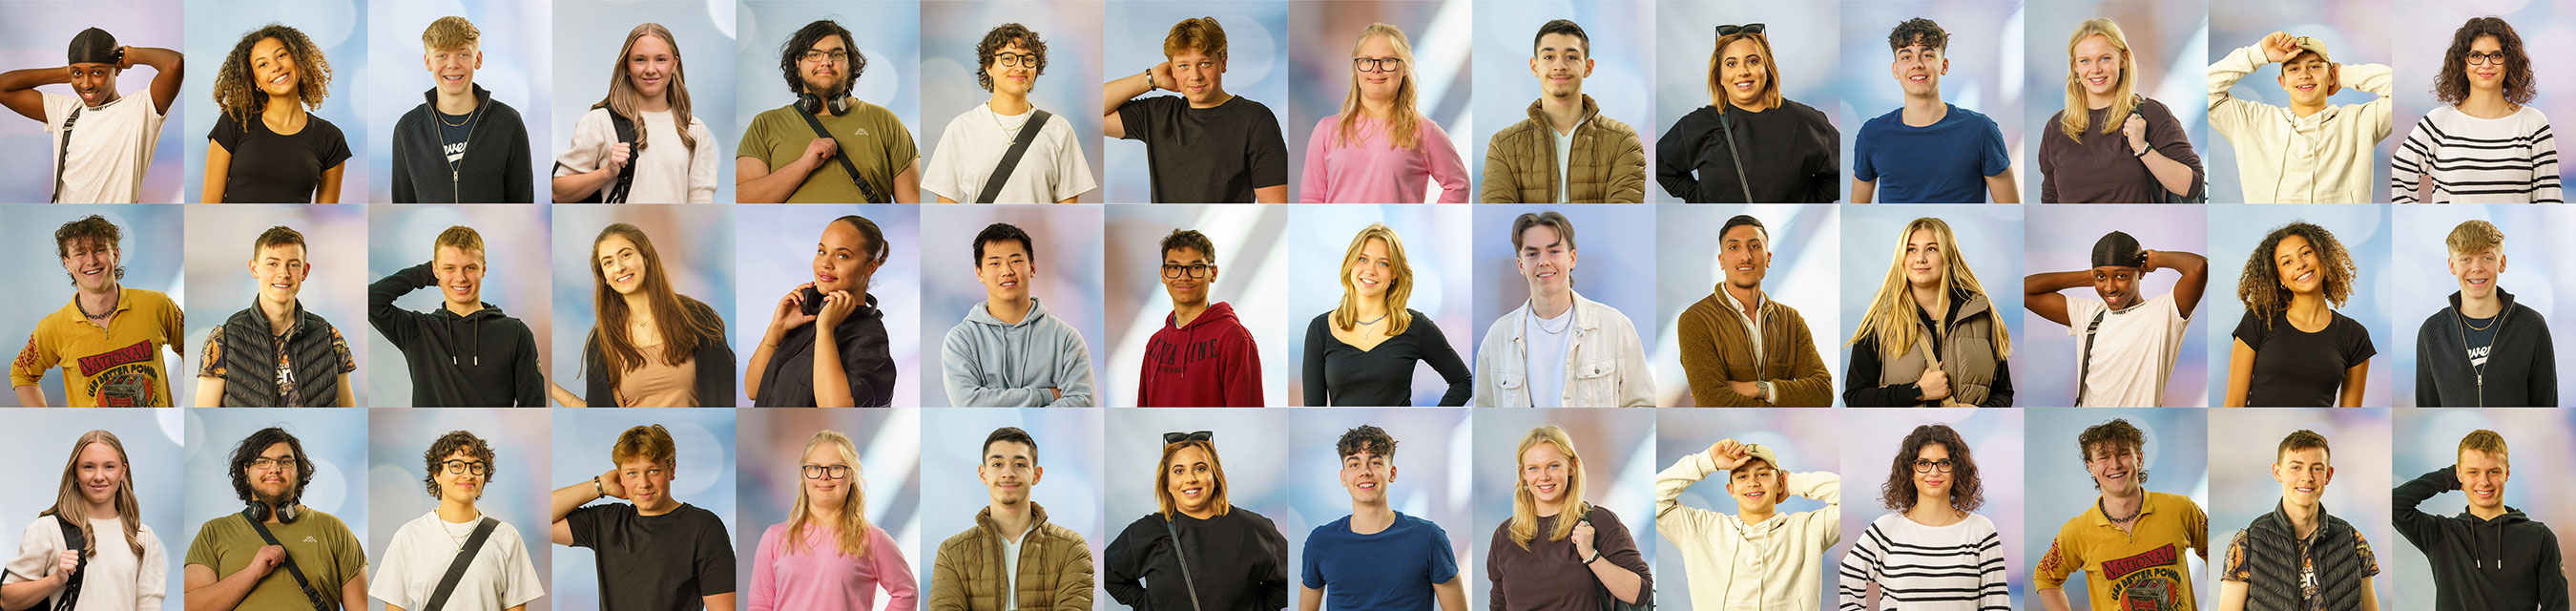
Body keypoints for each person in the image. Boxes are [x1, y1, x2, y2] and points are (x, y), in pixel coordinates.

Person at [1471, 211, 1652, 408]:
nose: (1544, 261)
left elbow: (1643, 404)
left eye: (1554, 251)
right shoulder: (1498, 337)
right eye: (1532, 254)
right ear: (1521, 265)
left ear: (1572, 258)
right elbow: (1484, 409)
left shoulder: (1614, 326)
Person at [543, 223, 735, 408]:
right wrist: (549, 387)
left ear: (646, 258)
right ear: (605, 278)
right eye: (608, 262)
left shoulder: (698, 317)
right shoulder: (604, 341)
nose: (619, 267)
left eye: (625, 255)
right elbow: (601, 410)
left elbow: (727, 394)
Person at [549, 425, 737, 611]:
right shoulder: (606, 522)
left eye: (653, 471)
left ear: (671, 470)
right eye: (632, 473)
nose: (643, 484)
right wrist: (601, 485)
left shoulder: (703, 527)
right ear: (620, 477)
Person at [1102, 16, 1289, 203]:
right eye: (1184, 66)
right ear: (1172, 70)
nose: (1195, 76)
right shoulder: (1157, 114)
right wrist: (1152, 78)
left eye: (1204, 63)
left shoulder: (1255, 120)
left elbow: (1275, 204)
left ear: (1223, 62)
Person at [182, 427, 367, 611]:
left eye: (285, 462)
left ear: (298, 471)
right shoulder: (214, 532)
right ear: (246, 470)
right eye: (263, 461)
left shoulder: (333, 529)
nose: (274, 469)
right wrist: (252, 573)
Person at [2034, 419, 2210, 611]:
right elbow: (2045, 578)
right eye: (2103, 457)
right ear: (2091, 467)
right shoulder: (2076, 532)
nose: (2115, 464)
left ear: (2139, 458)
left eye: (2123, 454)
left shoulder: (2180, 508)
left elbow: (2215, 554)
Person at [11, 215, 184, 408]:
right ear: (68, 263)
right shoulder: (52, 328)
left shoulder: (157, 304)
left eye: (99, 250)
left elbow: (191, 350)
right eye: (80, 254)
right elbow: (22, 374)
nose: (91, 260)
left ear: (116, 254)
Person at [740, 19, 921, 204]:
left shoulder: (885, 121)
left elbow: (914, 206)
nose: (826, 62)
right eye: (814, 54)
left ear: (850, 63)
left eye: (836, 54)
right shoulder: (765, 124)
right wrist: (803, 165)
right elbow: (743, 201)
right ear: (798, 64)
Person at [1104, 432, 1289, 611]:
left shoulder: (1251, 528)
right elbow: (1107, 571)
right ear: (1167, 483)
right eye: (1179, 471)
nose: (1190, 479)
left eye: (1200, 468)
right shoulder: (1146, 532)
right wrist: (1145, 605)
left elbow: (1289, 581)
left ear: (1215, 477)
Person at [1658, 24, 1839, 203]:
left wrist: (1811, 200)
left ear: (1767, 69)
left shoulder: (1804, 121)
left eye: (1753, 61)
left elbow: (1844, 170)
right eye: (1731, 63)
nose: (1743, 72)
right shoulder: (1699, 125)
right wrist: (1696, 197)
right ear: (1719, 75)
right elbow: (1660, 164)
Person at [1842, 217, 2014, 407]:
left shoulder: (1982, 314)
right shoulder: (1880, 319)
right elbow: (1855, 398)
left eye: (1931, 249)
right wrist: (1918, 391)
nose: (1920, 258)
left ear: (1948, 257)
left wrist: (1980, 412)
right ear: (1902, 258)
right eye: (1911, 249)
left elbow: (2003, 393)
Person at [2023, 232, 2208, 407]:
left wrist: (2156, 258)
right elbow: (2026, 290)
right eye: (2102, 277)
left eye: (2121, 276)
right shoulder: (2089, 313)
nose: (2109, 288)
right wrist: (2090, 276)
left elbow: (2198, 267)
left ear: (2141, 272)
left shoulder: (2163, 313)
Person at [2392, 429, 2569, 611]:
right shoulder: (2442, 535)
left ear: (2506, 474)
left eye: (2493, 472)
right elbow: (2396, 504)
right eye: (2473, 472)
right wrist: (2449, 477)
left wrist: (2467, 473)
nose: (2484, 482)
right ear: (2459, 474)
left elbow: (2557, 607)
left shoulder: (2539, 537)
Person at [1837, 424, 2008, 610]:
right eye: (1923, 463)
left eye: (1944, 463)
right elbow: (1846, 583)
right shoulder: (1886, 530)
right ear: (1910, 470)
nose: (1934, 472)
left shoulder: (1981, 530)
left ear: (1957, 469)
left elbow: (1997, 604)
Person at [368, 225, 544, 407]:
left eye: (469, 268)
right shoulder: (418, 331)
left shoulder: (516, 333)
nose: (460, 278)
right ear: (435, 270)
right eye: (450, 268)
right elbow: (372, 300)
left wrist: (444, 269)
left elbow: (534, 404)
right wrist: (425, 273)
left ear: (483, 270)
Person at [367, 431, 544, 611]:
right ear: (437, 474)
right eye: (457, 466)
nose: (468, 475)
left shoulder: (506, 536)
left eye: (476, 467)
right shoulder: (409, 536)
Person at [2208, 32, 2392, 203]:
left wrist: (2345, 74)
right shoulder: (2253, 122)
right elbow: (2205, 90)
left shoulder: (2360, 122)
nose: (2304, 75)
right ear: (2283, 82)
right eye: (2294, 69)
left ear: (2331, 77)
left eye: (2314, 66)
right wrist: (2258, 53)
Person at [0, 28, 179, 203]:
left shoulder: (140, 109)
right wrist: (66, 73)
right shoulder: (66, 110)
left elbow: (174, 64)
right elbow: (3, 87)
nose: (86, 85)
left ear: (117, 68)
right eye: (78, 74)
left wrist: (132, 54)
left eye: (97, 72)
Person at [1656, 438, 1838, 611]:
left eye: (1763, 474)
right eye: (1743, 476)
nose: (1753, 482)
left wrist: (1794, 482)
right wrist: (1707, 460)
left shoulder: (1809, 529)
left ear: (1780, 484)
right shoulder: (1702, 530)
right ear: (1731, 490)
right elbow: (1654, 499)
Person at [2392, 17, 2560, 203]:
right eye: (2476, 55)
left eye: (2496, 55)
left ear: (2509, 62)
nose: (2486, 64)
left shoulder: (2534, 124)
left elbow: (2549, 198)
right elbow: (2397, 179)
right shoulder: (2438, 123)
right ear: (2462, 63)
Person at [926, 427, 1094, 611]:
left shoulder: (1070, 548)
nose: (1008, 473)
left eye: (1020, 464)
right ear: (983, 474)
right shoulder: (952, 553)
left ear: (1036, 475)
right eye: (997, 464)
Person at [2038, 18, 2205, 203]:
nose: (2096, 69)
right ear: (2075, 67)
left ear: (2123, 59)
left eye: (2105, 58)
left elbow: (2193, 186)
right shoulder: (2056, 128)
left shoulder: (2150, 114)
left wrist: (2143, 148)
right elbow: (2050, 199)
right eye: (2085, 61)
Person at [1299, 426, 1465, 611]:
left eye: (1375, 462)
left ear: (1392, 473)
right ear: (1343, 477)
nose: (1365, 472)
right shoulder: (1320, 542)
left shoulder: (1429, 538)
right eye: (1354, 464)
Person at [1852, 18, 2018, 203]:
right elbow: (1857, 205)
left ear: (1944, 65)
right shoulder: (1872, 134)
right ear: (1895, 69)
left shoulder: (1981, 130)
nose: (1917, 64)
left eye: (1927, 55)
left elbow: (2010, 205)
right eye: (1906, 57)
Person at [2212, 430, 2382, 611]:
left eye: (2317, 468)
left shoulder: (2353, 541)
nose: (2307, 477)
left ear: (2328, 475)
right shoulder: (2246, 544)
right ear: (2278, 473)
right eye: (2296, 467)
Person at [1299, 23, 1468, 203]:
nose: (1376, 69)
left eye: (1387, 60)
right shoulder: (1326, 130)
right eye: (1367, 60)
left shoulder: (1424, 132)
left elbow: (1458, 186)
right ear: (1356, 68)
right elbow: (1311, 198)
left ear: (1403, 69)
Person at [1487, 425, 1651, 611]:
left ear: (1571, 467)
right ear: (1523, 474)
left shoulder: (1598, 522)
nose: (1544, 476)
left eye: (1553, 466)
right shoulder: (1505, 535)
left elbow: (1640, 594)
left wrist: (1591, 555)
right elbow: (1499, 606)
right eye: (1534, 468)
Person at [1481, 19, 1646, 203]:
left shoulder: (1622, 140)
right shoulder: (1503, 145)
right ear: (1534, 66)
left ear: (1588, 67)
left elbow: (1623, 213)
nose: (1560, 66)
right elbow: (1498, 214)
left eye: (1571, 57)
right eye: (1549, 57)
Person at [552, 22, 719, 203]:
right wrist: (607, 172)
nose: (650, 69)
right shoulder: (599, 122)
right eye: (640, 59)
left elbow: (701, 202)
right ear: (626, 66)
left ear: (675, 64)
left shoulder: (694, 130)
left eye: (661, 59)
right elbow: (558, 192)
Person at [926, 24, 1093, 203]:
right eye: (1008, 58)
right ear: (989, 66)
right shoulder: (961, 128)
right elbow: (946, 202)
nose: (1020, 67)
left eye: (1028, 59)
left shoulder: (1058, 128)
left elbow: (1068, 205)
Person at [1304, 223, 1469, 406]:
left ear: (1395, 274)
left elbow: (1463, 382)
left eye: (1383, 263)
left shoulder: (1415, 326)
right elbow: (1313, 406)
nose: (1370, 270)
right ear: (1350, 264)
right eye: (1363, 259)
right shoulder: (1320, 329)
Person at [1676, 214, 1832, 407]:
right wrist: (1785, 399)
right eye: (1734, 247)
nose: (1746, 256)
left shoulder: (1791, 319)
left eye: (1754, 246)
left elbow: (1823, 393)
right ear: (1721, 260)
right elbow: (1713, 400)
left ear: (1768, 258)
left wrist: (1761, 389)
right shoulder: (1695, 320)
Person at [748, 431, 914, 611]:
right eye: (815, 468)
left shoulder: (873, 539)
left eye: (835, 468)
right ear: (804, 476)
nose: (824, 476)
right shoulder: (774, 538)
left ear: (851, 476)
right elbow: (760, 605)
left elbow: (906, 593)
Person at [0, 431, 166, 611]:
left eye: (109, 466)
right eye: (88, 467)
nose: (99, 476)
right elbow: (7, 600)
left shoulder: (142, 537)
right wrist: (55, 579)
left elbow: (150, 605)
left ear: (123, 471)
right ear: (75, 473)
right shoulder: (47, 529)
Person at [195, 225, 357, 407]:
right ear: (254, 269)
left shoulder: (329, 337)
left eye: (293, 265)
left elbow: (348, 408)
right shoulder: (222, 340)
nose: (283, 274)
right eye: (273, 264)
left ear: (304, 271)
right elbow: (206, 408)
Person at [748, 216, 898, 407]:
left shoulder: (869, 338)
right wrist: (777, 328)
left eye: (842, 255)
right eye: (821, 251)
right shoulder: (806, 314)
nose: (825, 263)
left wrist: (825, 330)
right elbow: (753, 390)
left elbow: (835, 409)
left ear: (870, 268)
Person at [941, 222, 1096, 407]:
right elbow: (968, 403)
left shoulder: (1066, 338)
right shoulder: (961, 340)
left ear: (1032, 267)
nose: (1006, 271)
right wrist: (1046, 395)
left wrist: (992, 399)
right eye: (995, 263)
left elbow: (1081, 403)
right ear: (979, 273)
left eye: (1015, 261)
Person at [2224, 222, 2374, 408]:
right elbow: (2234, 403)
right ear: (2280, 279)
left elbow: (2351, 412)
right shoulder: (2259, 320)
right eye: (2287, 262)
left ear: (2322, 258)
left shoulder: (2355, 336)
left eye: (2306, 253)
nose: (2300, 265)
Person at [390, 16, 534, 203]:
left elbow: (523, 201)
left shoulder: (508, 122)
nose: (452, 64)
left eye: (463, 54)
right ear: (428, 62)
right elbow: (403, 202)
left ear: (478, 59)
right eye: (442, 55)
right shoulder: (407, 129)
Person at [201, 23, 349, 203]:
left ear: (298, 61)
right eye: (263, 64)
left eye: (281, 55)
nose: (276, 67)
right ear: (256, 80)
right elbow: (210, 202)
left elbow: (327, 209)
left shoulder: (330, 138)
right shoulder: (234, 122)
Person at [2416, 220, 2555, 407]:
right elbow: (2426, 405)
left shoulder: (2532, 325)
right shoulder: (2432, 332)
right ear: (2452, 265)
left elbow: (2547, 404)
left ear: (2502, 263)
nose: (2476, 268)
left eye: (2487, 258)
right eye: (2466, 259)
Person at [1139, 229, 1263, 407]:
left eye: (1195, 267)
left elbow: (1247, 416)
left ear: (1213, 273)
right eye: (1174, 267)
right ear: (1163, 274)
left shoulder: (1234, 339)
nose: (1184, 276)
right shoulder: (1155, 344)